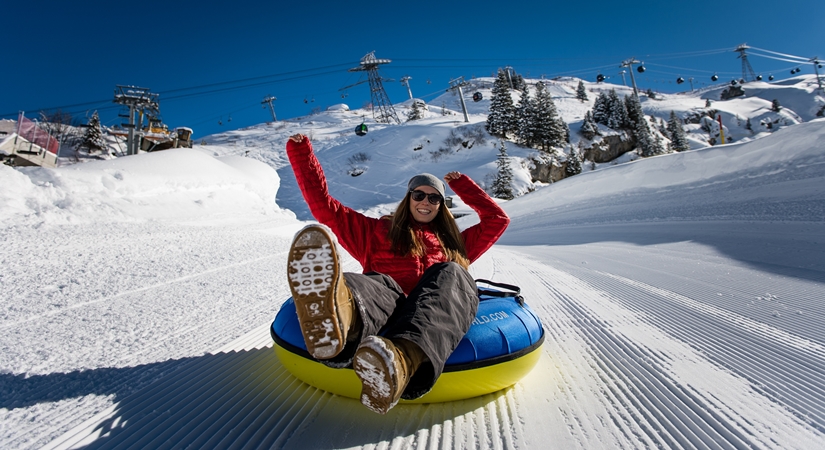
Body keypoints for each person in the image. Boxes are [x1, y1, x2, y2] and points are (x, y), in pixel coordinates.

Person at [285, 133, 509, 414]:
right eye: (419, 194)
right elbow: (324, 206)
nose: (425, 201)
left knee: (452, 271)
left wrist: (462, 186)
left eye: (434, 197)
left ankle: (401, 361)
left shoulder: (453, 243)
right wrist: (301, 152)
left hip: (430, 312)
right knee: (377, 282)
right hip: (384, 303)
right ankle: (336, 316)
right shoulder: (377, 231)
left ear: (441, 205)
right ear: (409, 198)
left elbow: (497, 220)